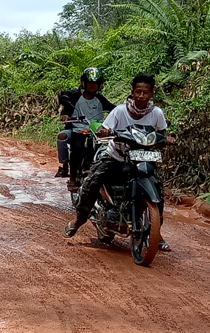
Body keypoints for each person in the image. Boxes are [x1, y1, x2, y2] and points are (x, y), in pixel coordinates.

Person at [62, 72, 173, 251]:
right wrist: (105, 131)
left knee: (158, 188)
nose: (141, 96)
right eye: (138, 92)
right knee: (92, 182)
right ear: (133, 92)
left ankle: (156, 231)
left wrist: (168, 139)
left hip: (143, 158)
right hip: (117, 157)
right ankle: (80, 218)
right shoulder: (120, 111)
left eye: (145, 92)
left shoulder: (157, 113)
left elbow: (163, 132)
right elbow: (104, 127)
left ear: (152, 93)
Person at [56, 68, 116, 181]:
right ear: (84, 83)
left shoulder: (100, 99)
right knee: (77, 148)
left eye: (95, 83)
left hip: (97, 130)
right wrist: (65, 115)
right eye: (90, 83)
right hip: (79, 129)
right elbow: (67, 109)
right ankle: (72, 177)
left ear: (100, 85)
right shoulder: (75, 97)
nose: (92, 86)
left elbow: (114, 109)